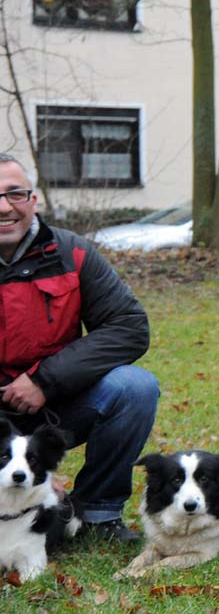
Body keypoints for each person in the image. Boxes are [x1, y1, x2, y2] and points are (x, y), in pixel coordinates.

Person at [0, 153, 159, 542]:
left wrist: (44, 380)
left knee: (134, 388)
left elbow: (129, 326)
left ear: (33, 200)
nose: (4, 208)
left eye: (14, 194)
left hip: (55, 403)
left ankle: (97, 513)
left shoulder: (74, 254)